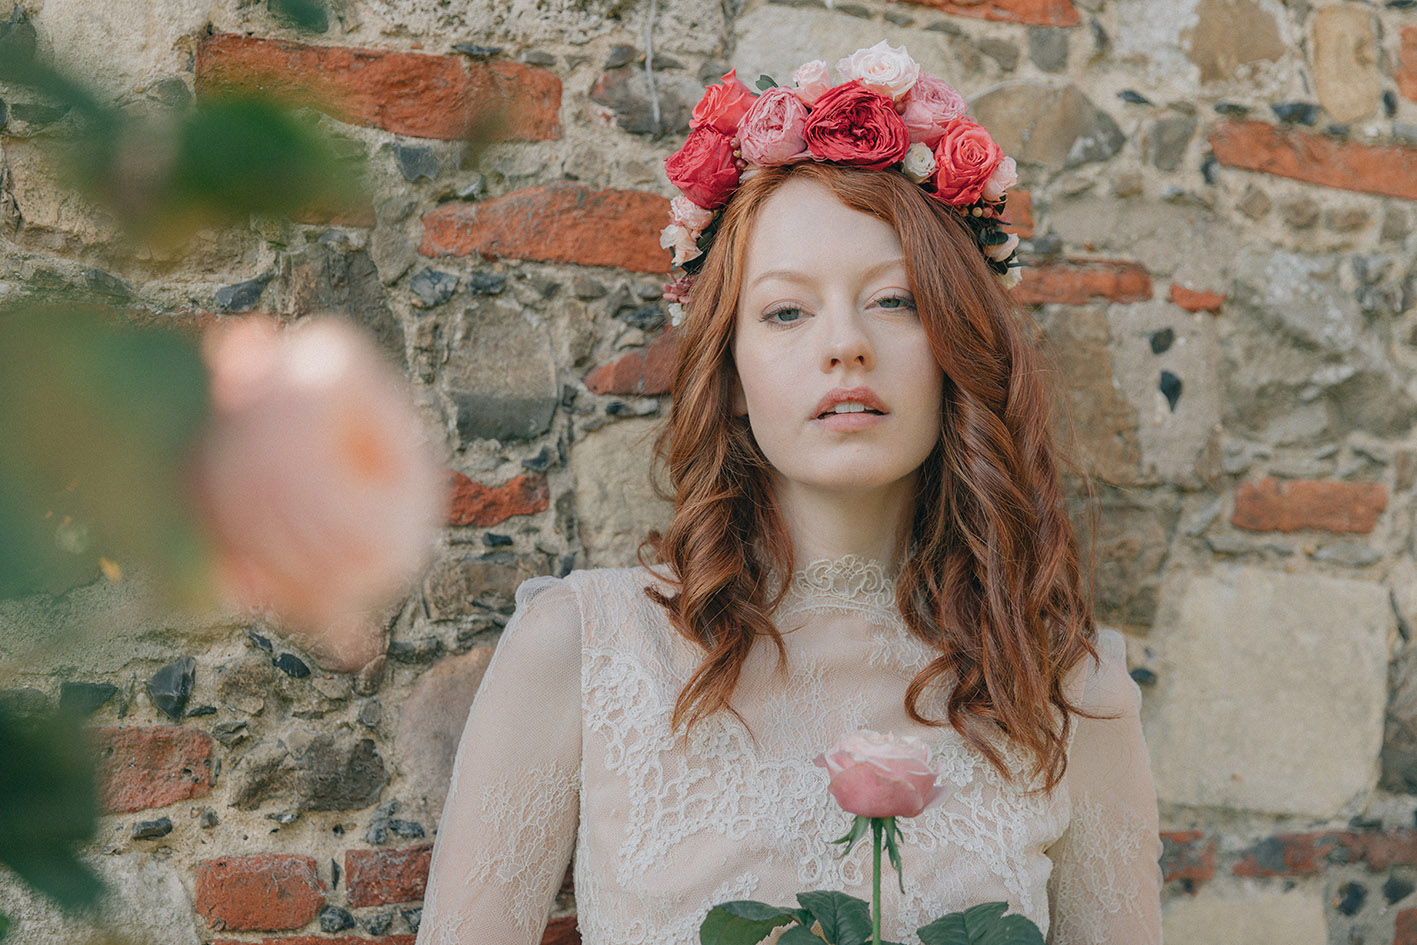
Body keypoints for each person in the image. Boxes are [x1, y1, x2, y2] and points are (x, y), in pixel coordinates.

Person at [415, 43, 1162, 945]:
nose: (843, 344)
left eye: (895, 301)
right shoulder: (584, 653)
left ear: (956, 345)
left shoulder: (1066, 687)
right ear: (729, 369)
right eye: (785, 311)